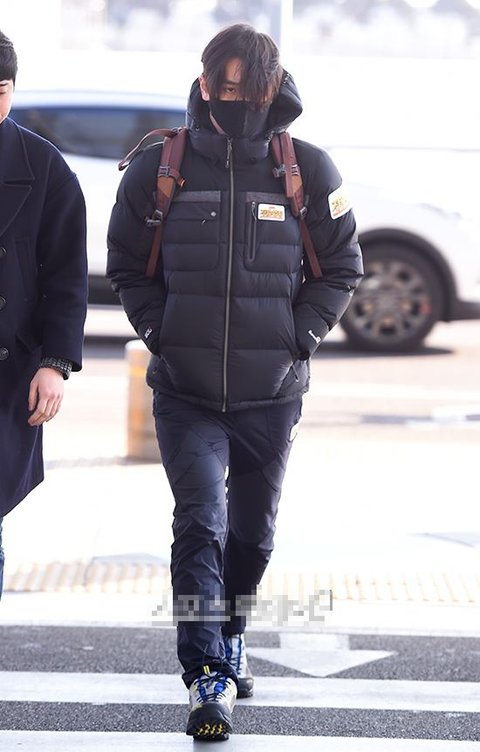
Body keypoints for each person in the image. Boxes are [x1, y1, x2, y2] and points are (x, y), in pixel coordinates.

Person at [107, 23, 363, 741]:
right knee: (200, 524)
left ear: (272, 90)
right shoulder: (158, 167)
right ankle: (207, 674)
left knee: (252, 537)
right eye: (224, 88)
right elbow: (125, 263)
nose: (237, 103)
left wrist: (296, 340)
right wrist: (161, 333)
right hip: (184, 392)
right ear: (204, 84)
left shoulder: (309, 169)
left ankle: (233, 630)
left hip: (272, 393)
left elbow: (343, 266)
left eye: (249, 92)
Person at [0, 31, 88, 597]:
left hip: (8, 367)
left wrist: (55, 363)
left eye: (1, 90)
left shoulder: (43, 165)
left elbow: (66, 276)